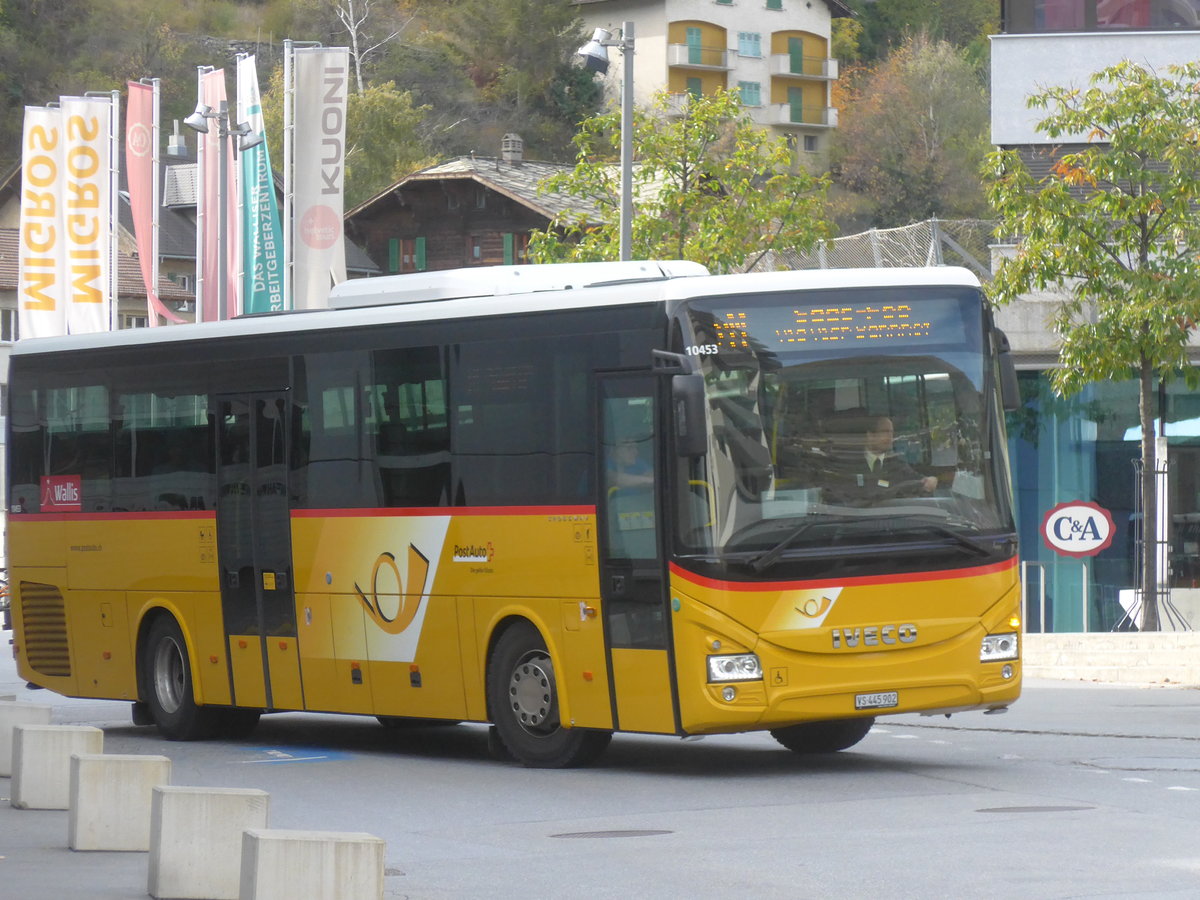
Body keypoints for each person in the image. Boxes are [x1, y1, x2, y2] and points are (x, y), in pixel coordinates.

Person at [860, 416, 937, 495]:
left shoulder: (897, 465)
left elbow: (919, 481)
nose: (890, 437)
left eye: (891, 432)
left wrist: (930, 481)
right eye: (885, 432)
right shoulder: (851, 462)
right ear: (870, 435)